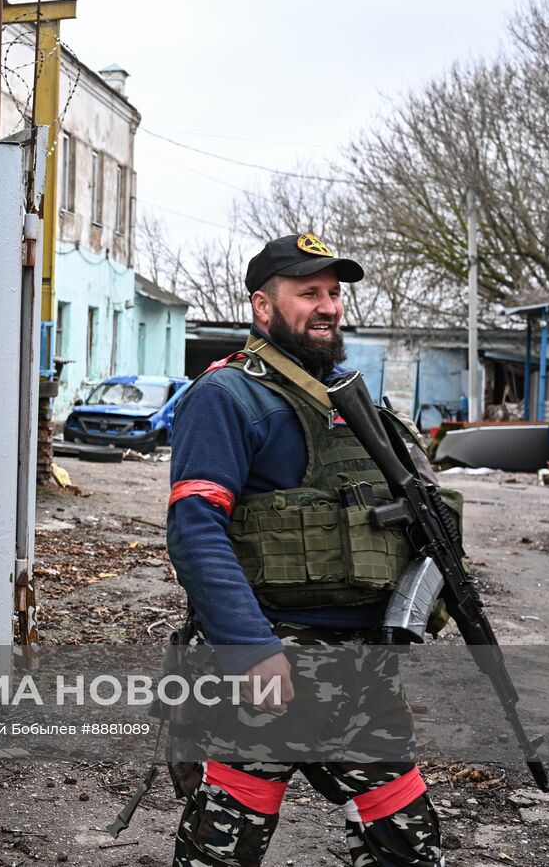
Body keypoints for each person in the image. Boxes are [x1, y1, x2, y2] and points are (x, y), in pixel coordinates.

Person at [166, 233, 444, 866]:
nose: (328, 306)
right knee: (227, 844)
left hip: (363, 665)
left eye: (335, 293)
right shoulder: (227, 397)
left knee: (406, 841)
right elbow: (195, 528)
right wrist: (249, 649)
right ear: (263, 308)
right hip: (277, 659)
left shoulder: (350, 398)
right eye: (308, 292)